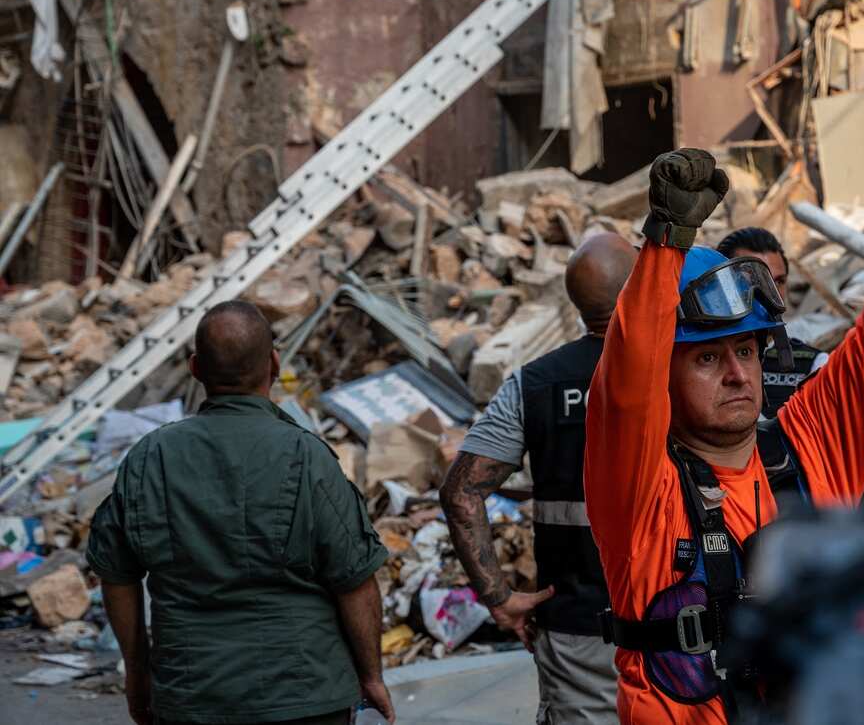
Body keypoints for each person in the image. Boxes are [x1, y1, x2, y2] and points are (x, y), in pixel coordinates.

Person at [584, 49, 864, 723]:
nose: (737, 372)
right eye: (705, 359)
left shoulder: (811, 453)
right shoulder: (639, 491)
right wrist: (665, 243)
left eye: (747, 351)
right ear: (666, 376)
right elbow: (626, 386)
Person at [87, 300, 393, 725]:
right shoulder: (306, 456)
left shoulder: (149, 458)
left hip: (192, 696)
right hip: (306, 695)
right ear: (274, 363)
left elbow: (116, 575)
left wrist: (137, 675)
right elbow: (355, 580)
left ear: (196, 368)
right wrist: (371, 676)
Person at [442, 232, 639, 725]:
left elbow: (461, 492)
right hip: (684, 629)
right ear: (640, 289)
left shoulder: (535, 384)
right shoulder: (682, 370)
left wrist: (501, 599)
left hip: (578, 636)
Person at [715, 226, 864, 498]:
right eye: (751, 280)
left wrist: (859, 534)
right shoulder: (692, 360)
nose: (770, 294)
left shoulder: (813, 365)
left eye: (778, 281)